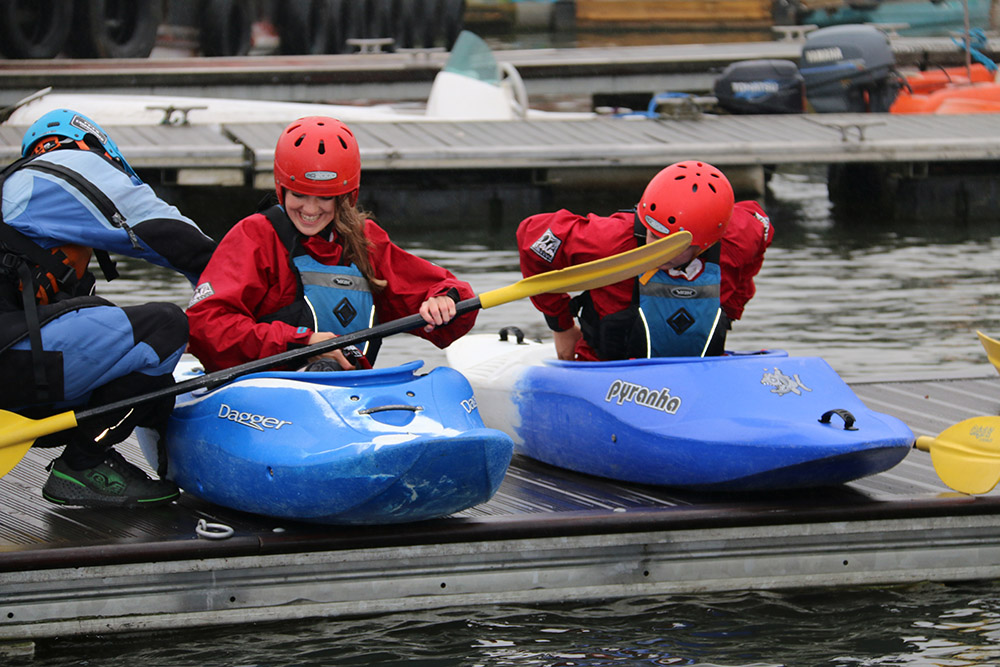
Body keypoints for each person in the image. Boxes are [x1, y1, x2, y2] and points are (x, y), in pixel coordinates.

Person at [0, 109, 217, 508]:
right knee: (164, 329)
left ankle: (92, 455)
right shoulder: (68, 163)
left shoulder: (16, 192)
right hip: (11, 363)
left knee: (150, 381)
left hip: (15, 367)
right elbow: (171, 235)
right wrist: (245, 301)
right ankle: (82, 465)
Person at [186, 116, 477, 374]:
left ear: (346, 197)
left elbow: (445, 291)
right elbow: (206, 327)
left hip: (345, 396)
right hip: (263, 395)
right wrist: (304, 341)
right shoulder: (254, 236)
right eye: (299, 194)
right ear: (281, 187)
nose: (310, 210)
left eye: (325, 197)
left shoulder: (365, 240)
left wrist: (444, 300)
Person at [516, 160, 773, 362]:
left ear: (704, 244)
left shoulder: (737, 238)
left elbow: (758, 239)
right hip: (605, 373)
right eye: (652, 233)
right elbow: (532, 238)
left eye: (669, 245)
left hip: (696, 374)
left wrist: (730, 309)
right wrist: (561, 326)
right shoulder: (611, 240)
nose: (653, 247)